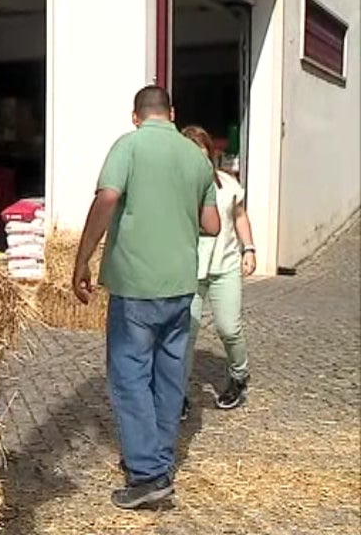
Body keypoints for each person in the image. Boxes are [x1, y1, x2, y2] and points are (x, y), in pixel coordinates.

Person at [71, 86, 220, 510]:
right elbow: (210, 224)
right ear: (171, 113)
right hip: (180, 285)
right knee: (169, 377)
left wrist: (83, 258)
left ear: (135, 116)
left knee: (131, 377)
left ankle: (148, 476)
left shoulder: (128, 146)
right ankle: (159, 459)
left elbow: (109, 197)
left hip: (136, 285)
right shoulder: (196, 157)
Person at [180, 125, 256, 411]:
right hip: (190, 270)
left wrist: (248, 248)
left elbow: (240, 216)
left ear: (211, 156)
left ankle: (238, 375)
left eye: (203, 156)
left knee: (229, 328)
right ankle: (179, 393)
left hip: (225, 266)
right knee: (185, 332)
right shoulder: (177, 188)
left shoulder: (227, 185)